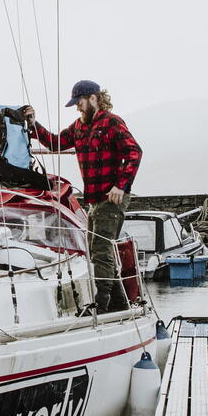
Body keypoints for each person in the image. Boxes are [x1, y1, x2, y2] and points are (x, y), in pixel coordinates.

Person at [26, 80, 142, 312]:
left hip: (112, 198)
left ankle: (102, 305)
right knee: (97, 248)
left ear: (93, 98)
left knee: (100, 249)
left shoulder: (112, 122)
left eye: (79, 102)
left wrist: (120, 186)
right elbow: (54, 143)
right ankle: (119, 302)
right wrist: (33, 124)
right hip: (94, 198)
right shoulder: (79, 126)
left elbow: (134, 152)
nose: (78, 107)